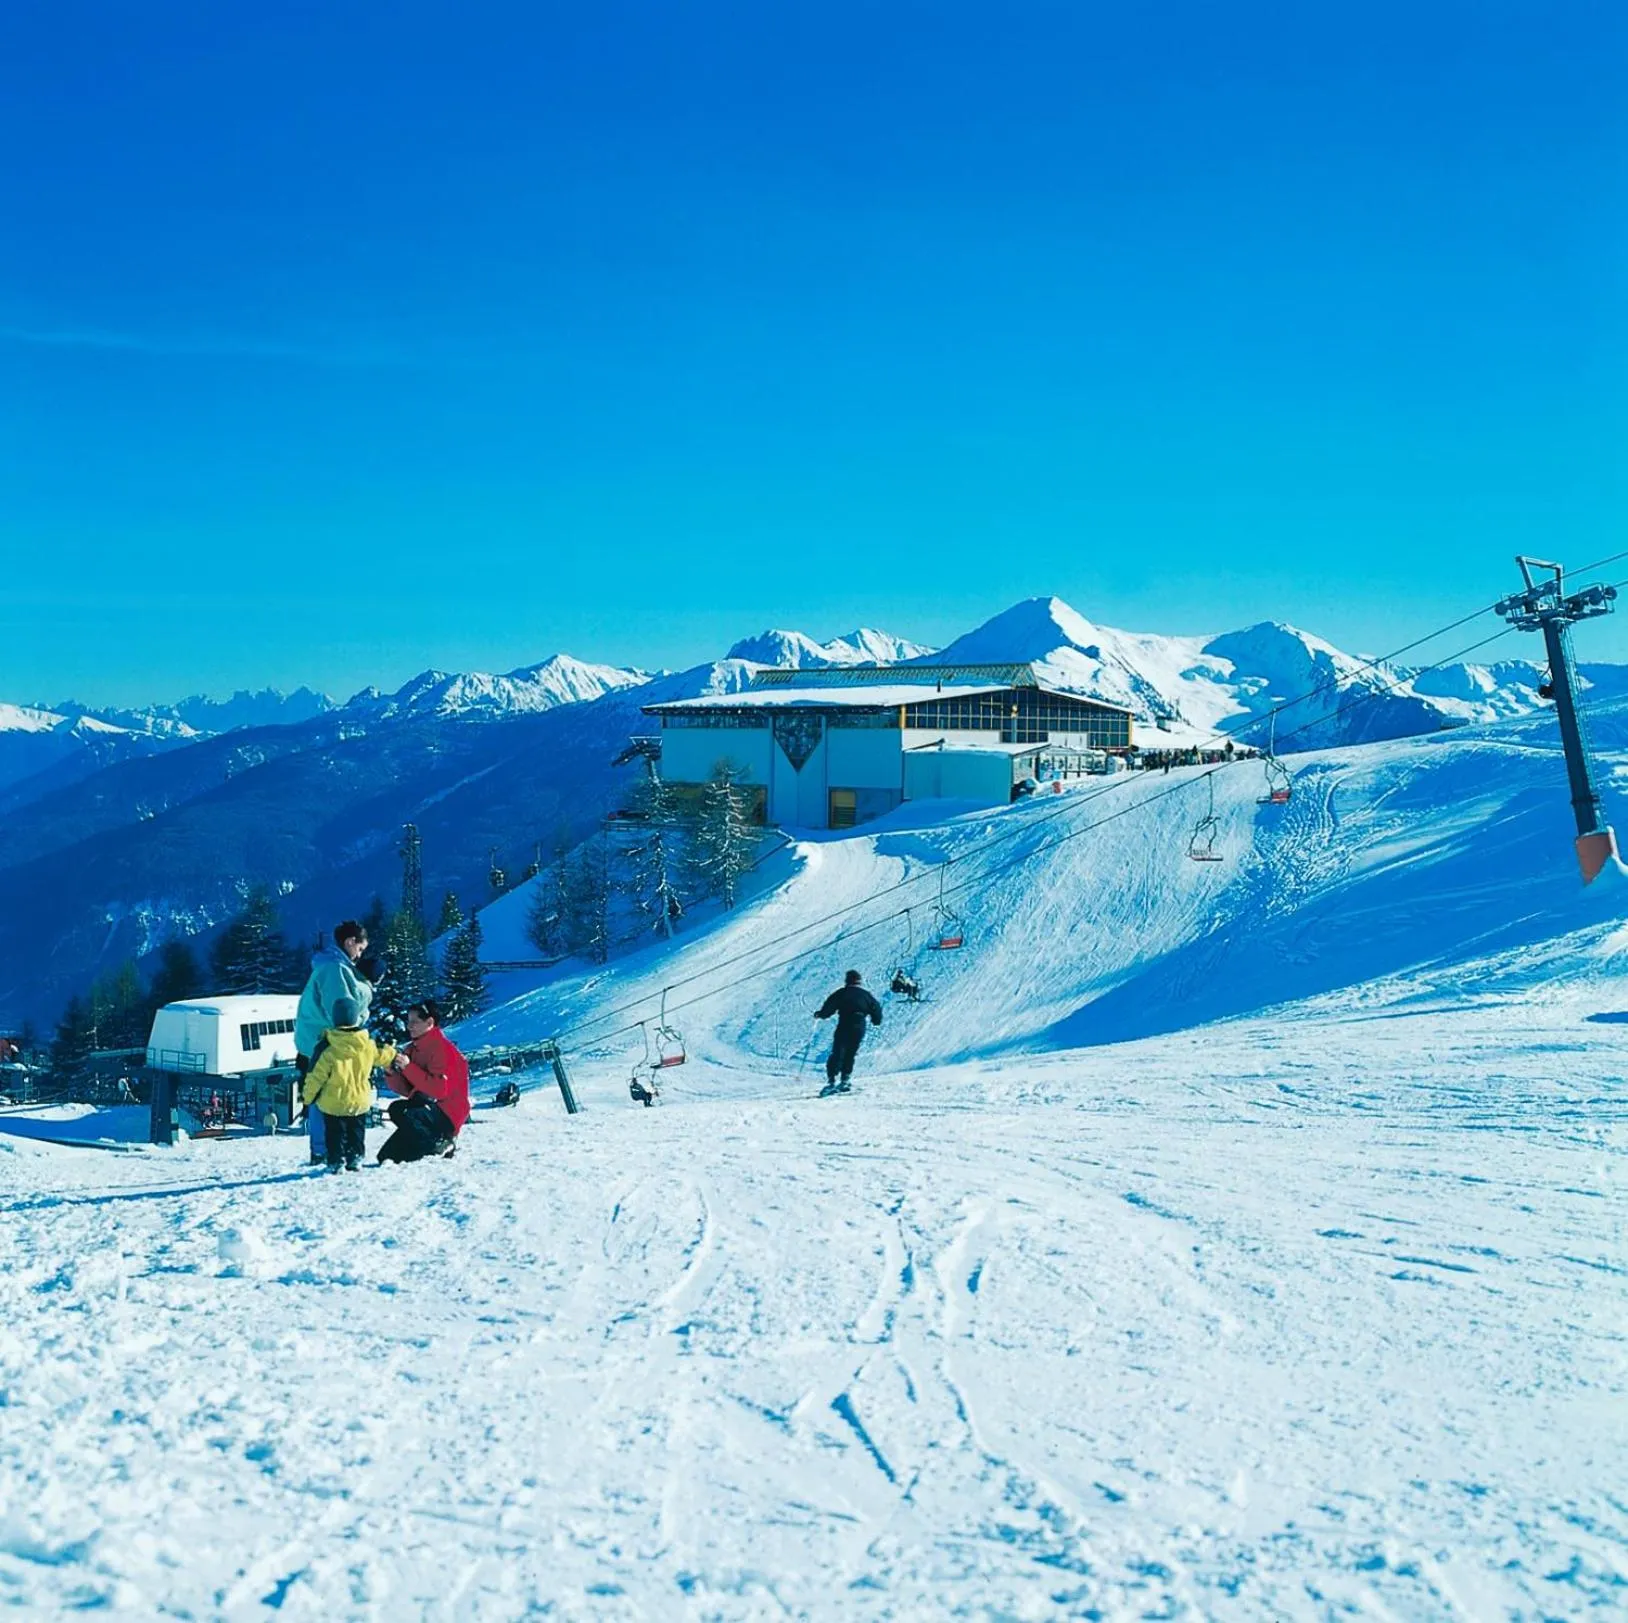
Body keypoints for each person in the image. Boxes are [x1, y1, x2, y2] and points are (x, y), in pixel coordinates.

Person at [295, 920, 376, 1165]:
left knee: (325, 1094)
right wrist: (368, 989)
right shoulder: (335, 970)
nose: (359, 956)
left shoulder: (332, 965)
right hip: (325, 1043)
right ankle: (325, 1152)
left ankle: (324, 1150)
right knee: (328, 1096)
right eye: (360, 949)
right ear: (350, 942)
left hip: (315, 1040)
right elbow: (343, 1012)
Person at [300, 995, 395, 1172]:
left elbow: (315, 1076)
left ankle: (336, 1161)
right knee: (356, 1132)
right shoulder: (366, 1044)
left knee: (334, 1133)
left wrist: (308, 1098)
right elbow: (383, 1055)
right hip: (359, 1100)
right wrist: (395, 1054)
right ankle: (355, 1158)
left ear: (334, 1018)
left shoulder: (326, 1046)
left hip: (333, 1102)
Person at [377, 999, 470, 1164]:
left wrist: (408, 1067)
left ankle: (440, 1143)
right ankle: (428, 1143)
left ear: (430, 1022)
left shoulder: (442, 1048)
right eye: (408, 1021)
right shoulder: (413, 1049)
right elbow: (408, 1090)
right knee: (386, 1157)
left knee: (408, 1113)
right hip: (425, 1108)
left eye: (414, 1022)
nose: (409, 1026)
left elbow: (438, 1090)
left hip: (448, 1111)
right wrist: (391, 1072)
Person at [813, 969, 883, 1096]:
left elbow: (830, 1007)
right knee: (851, 1052)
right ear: (859, 981)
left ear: (847, 981)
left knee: (839, 1050)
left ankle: (831, 1081)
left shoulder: (842, 993)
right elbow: (876, 1008)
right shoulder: (866, 995)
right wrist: (876, 1020)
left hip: (845, 1023)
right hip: (860, 1025)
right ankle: (845, 1080)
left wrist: (821, 1014)